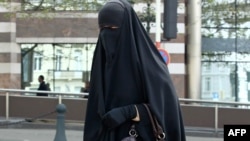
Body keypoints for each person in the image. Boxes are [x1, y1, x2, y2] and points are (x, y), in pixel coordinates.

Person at [83, 0, 186, 141]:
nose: (107, 35)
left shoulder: (151, 66)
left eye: (113, 28)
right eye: (103, 28)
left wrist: (130, 112)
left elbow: (167, 110)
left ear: (126, 28)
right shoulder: (102, 63)